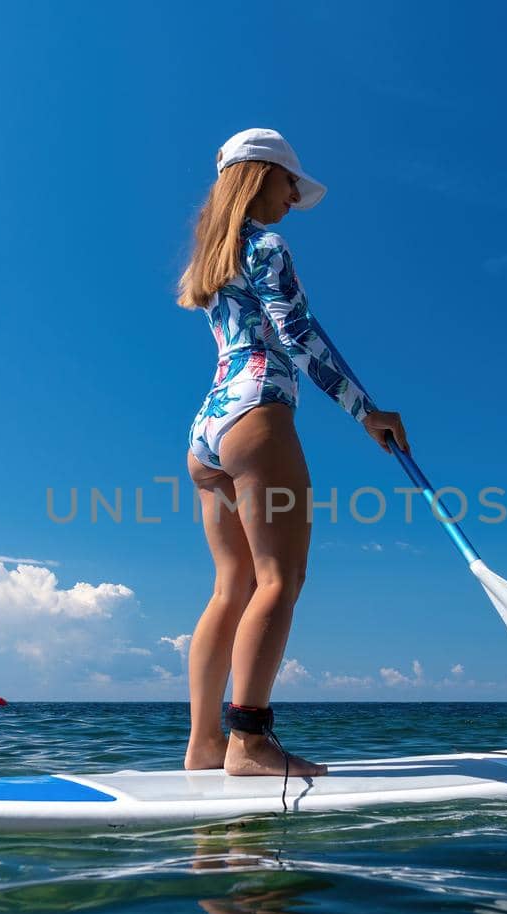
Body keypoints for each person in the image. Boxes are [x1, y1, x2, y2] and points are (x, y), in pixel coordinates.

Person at [175, 128, 408, 776]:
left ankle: (203, 744)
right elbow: (297, 335)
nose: (290, 197)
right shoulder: (269, 246)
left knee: (232, 586)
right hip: (257, 416)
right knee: (281, 579)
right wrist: (368, 412)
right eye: (287, 183)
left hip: (206, 431)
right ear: (260, 175)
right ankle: (248, 740)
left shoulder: (210, 265)